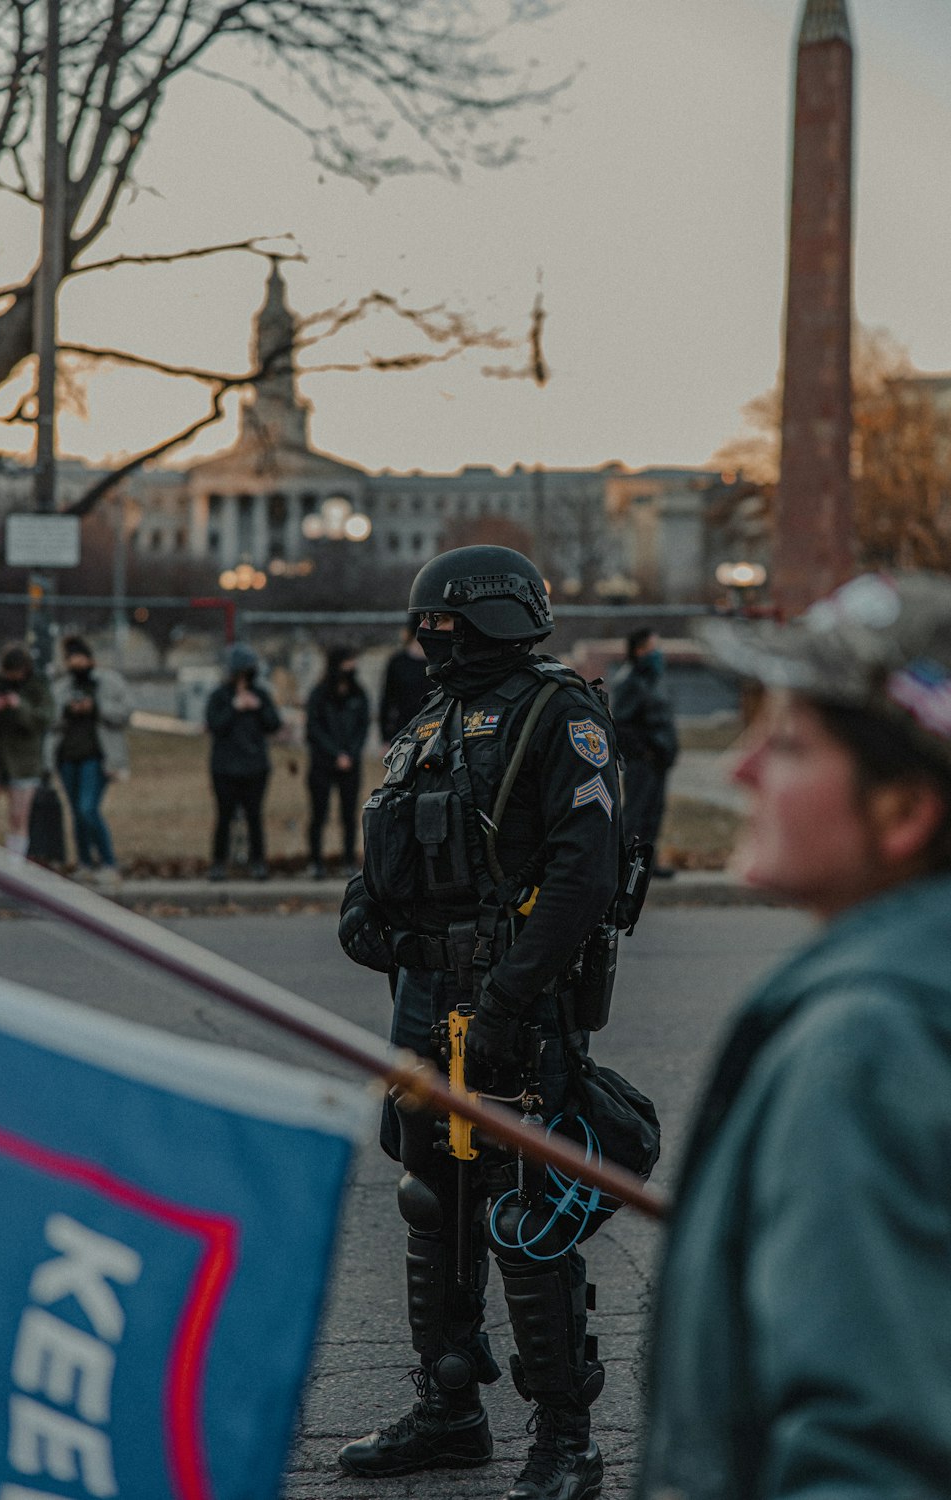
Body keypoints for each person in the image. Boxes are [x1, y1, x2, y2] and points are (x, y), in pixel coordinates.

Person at [637, 570, 951, 1500]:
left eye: (787, 744)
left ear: (903, 811)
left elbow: (869, 1456)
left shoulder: (871, 1046)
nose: (739, 768)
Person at [337, 545, 622, 1500]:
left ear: (495, 619)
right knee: (432, 1196)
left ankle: (566, 1439)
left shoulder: (560, 713)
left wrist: (510, 1000)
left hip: (512, 996)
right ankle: (450, 1411)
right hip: (425, 997)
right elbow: (394, 828)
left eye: (445, 627)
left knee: (524, 1209)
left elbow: (583, 874)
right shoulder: (434, 718)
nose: (429, 643)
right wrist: (363, 903)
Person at [51, 634, 132, 886]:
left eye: (79, 658)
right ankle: (85, 863)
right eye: (70, 659)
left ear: (90, 658)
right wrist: (68, 709)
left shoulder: (108, 682)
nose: (75, 664)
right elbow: (49, 720)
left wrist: (95, 707)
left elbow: (126, 712)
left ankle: (109, 863)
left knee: (88, 809)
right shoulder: (61, 687)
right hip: (67, 756)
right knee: (76, 812)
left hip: (97, 756)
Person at [204, 643, 281, 882]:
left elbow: (274, 724)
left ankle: (258, 861)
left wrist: (257, 708)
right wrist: (234, 708)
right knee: (224, 816)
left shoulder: (261, 695)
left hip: (255, 766)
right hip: (225, 767)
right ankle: (218, 862)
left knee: (254, 816)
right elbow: (214, 725)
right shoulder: (219, 696)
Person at [608, 628, 678, 877]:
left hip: (658, 761)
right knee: (636, 814)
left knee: (653, 814)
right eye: (653, 648)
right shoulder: (629, 681)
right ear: (639, 651)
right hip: (642, 762)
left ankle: (647, 865)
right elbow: (623, 726)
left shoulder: (653, 679)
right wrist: (644, 752)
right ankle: (626, 866)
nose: (658, 653)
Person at [0, 643, 53, 859]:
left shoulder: (38, 685)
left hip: (23, 762)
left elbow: (46, 719)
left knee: (18, 818)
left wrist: (21, 707)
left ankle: (15, 868)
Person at [305, 646, 369, 880]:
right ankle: (315, 861)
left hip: (350, 765)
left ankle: (349, 860)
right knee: (318, 814)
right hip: (323, 764)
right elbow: (313, 729)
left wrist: (350, 754)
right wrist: (335, 754)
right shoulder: (319, 694)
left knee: (349, 815)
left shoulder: (358, 694)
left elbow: (362, 728)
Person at [379, 623, 430, 744]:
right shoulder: (398, 662)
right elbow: (387, 699)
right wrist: (385, 737)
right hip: (404, 727)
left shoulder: (439, 660)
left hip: (433, 725)